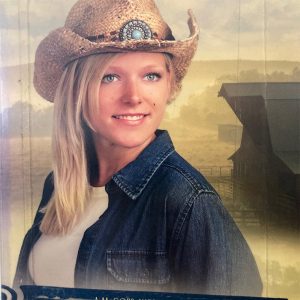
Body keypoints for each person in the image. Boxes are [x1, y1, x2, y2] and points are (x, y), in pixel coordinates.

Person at [14, 0, 262, 297]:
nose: (134, 97)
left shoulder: (189, 203)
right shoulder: (58, 185)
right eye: (110, 77)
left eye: (150, 76)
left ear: (170, 84)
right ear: (76, 90)